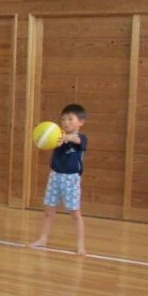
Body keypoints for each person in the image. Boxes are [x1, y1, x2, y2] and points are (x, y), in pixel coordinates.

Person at [30, 104, 87, 255]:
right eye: (63, 119)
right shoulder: (56, 135)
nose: (66, 122)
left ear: (81, 122)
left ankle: (80, 245)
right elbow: (46, 135)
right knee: (49, 211)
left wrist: (66, 137)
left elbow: (76, 140)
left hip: (71, 179)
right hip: (54, 177)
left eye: (70, 119)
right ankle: (43, 239)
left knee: (75, 214)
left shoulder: (81, 138)